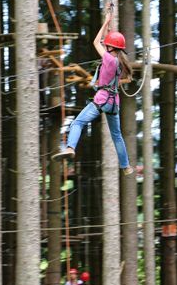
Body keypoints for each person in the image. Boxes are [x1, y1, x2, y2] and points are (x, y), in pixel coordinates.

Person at [52, 12, 137, 176]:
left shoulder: (108, 59)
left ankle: (70, 148)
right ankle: (126, 166)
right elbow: (107, 47)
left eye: (108, 45)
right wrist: (110, 31)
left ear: (110, 47)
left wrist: (105, 22)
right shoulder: (120, 63)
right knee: (117, 136)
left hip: (102, 99)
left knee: (77, 123)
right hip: (114, 102)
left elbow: (96, 42)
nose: (105, 47)